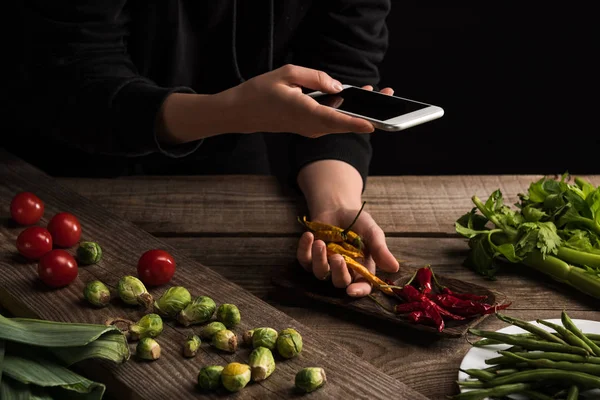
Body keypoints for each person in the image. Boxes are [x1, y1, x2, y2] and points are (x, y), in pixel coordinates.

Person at [16, 0, 400, 297]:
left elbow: (341, 71)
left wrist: (334, 204)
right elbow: (75, 71)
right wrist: (231, 112)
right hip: (66, 177)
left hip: (229, 176)